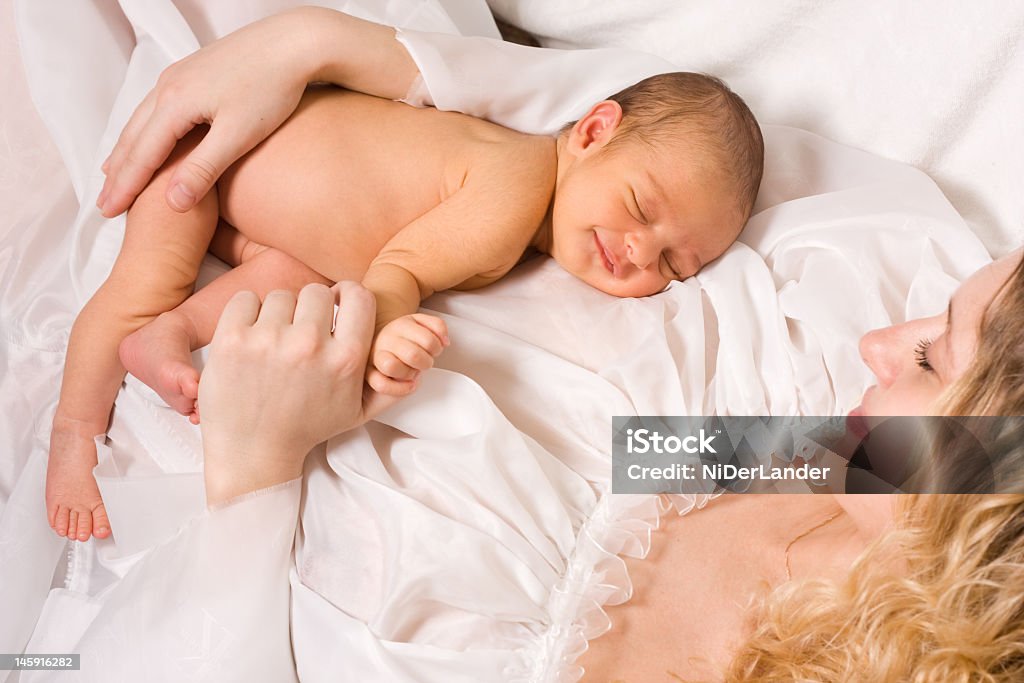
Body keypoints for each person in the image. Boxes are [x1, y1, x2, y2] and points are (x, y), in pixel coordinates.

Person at [90, 7, 1024, 679]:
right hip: (308, 202)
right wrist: (316, 42)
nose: (876, 340)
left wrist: (252, 473)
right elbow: (663, 140)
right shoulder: (816, 434)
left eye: (934, 357)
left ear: (1003, 496)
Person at [46, 9, 764, 543]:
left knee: (292, 282)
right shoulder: (516, 183)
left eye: (675, 264)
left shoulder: (529, 228)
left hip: (287, 230)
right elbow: (400, 269)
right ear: (592, 132)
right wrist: (384, 334)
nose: (640, 251)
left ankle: (168, 334)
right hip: (209, 167)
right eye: (641, 206)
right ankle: (75, 433)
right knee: (132, 294)